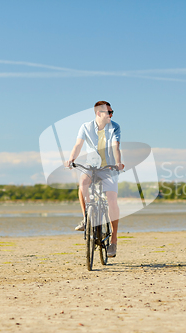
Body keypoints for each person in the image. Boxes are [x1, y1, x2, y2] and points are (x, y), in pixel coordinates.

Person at [65, 101, 125, 257]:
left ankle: (113, 240)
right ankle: (86, 219)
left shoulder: (114, 127)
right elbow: (78, 145)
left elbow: (115, 146)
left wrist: (118, 162)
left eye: (112, 112)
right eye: (109, 112)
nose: (111, 115)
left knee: (111, 200)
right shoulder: (85, 127)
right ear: (99, 113)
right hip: (91, 165)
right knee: (83, 183)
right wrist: (71, 159)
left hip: (109, 168)